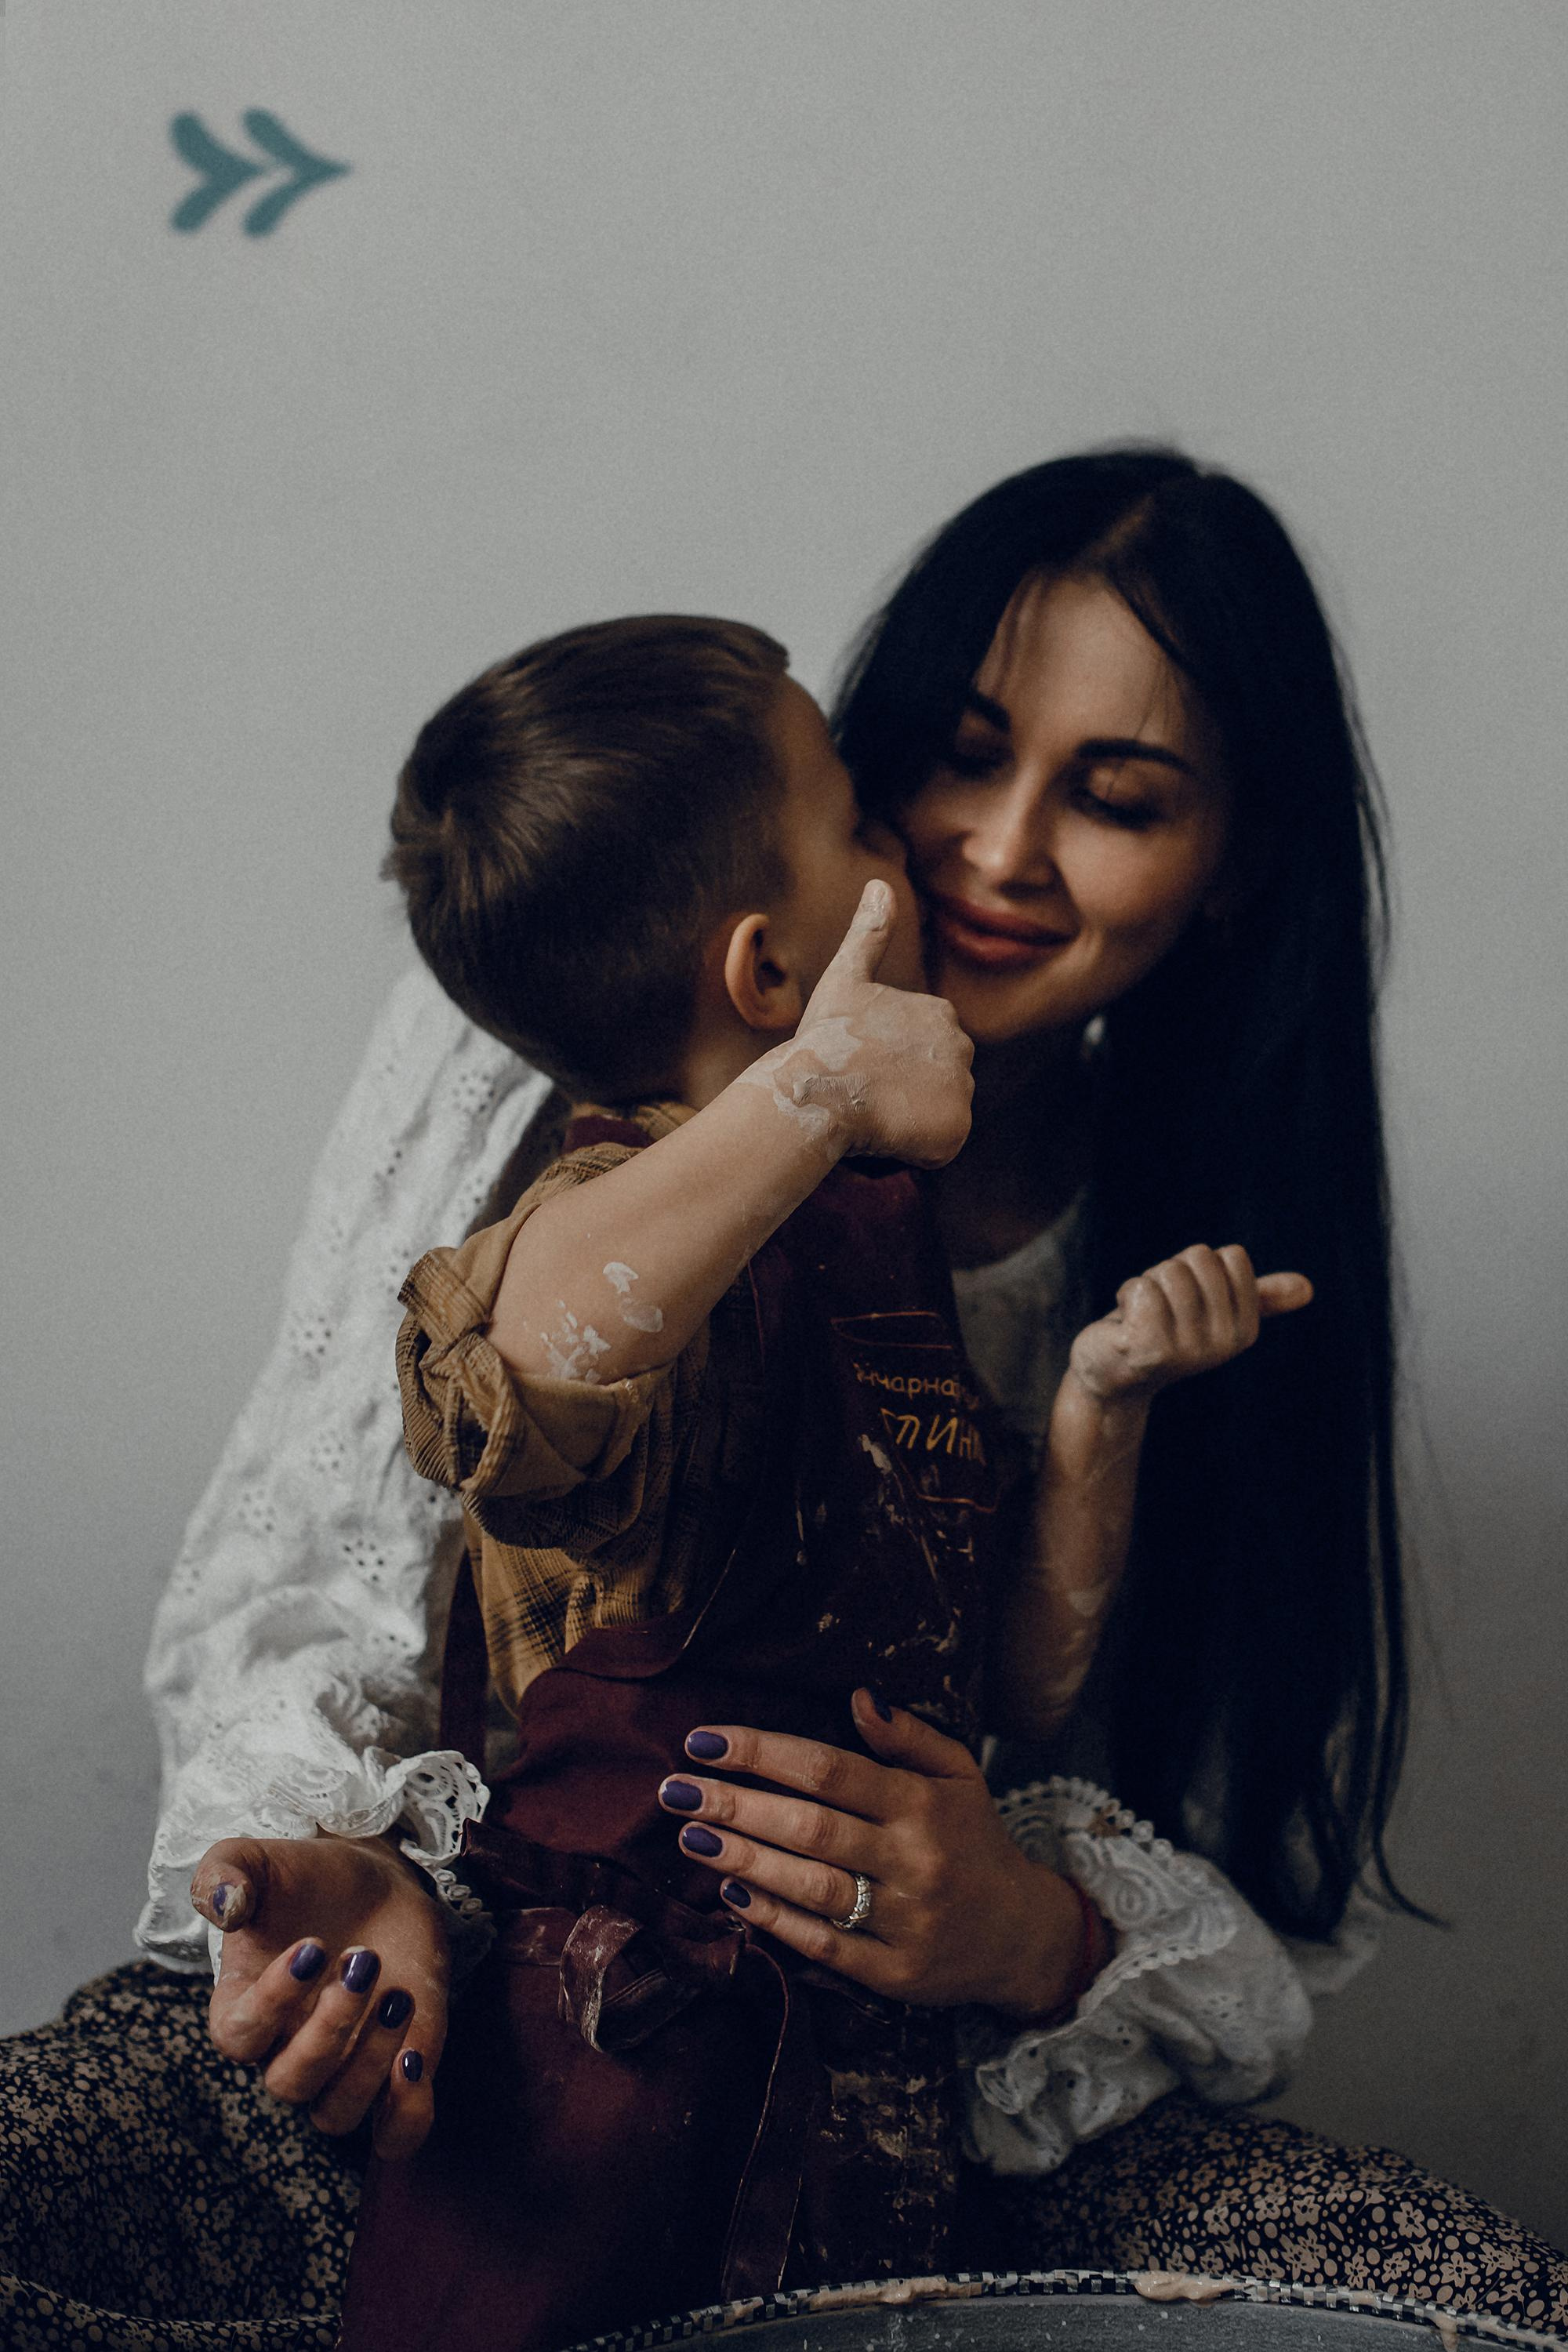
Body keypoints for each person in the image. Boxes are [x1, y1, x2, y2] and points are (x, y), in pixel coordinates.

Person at [3, 449, 1565, 2352]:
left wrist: (1032, 1932)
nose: (992, 853)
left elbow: (1112, 1747)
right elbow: (348, 1537)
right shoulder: (581, 1022)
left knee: (1465, 2305)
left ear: (1235, 859)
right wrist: (350, 1875)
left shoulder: (1203, 1238)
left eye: (1116, 797)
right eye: (950, 759)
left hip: (922, 2101)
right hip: (468, 2000)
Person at [325, 613, 1308, 2349]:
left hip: (849, 2064)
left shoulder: (879, 1242)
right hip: (603, 2044)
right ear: (773, 979)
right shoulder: (611, 1214)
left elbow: (1003, 1675)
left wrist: (1094, 1416)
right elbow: (516, 1361)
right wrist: (821, 1091)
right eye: (868, 815)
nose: (935, 852)